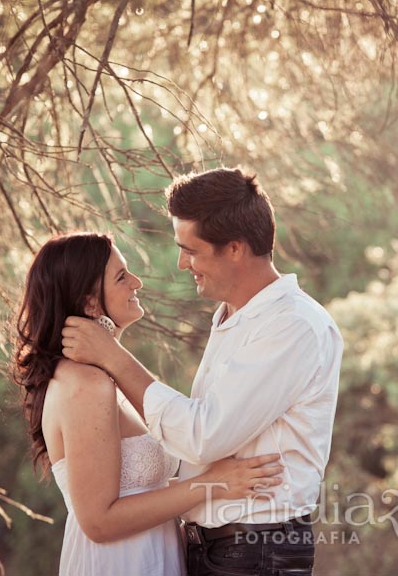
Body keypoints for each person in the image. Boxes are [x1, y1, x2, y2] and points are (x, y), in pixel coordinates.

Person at [62, 167, 344, 576]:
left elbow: (203, 436)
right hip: (216, 548)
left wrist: (115, 358)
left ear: (235, 249)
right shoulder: (233, 317)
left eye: (191, 250)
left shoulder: (291, 326)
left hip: (256, 550)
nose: (181, 263)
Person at [12, 232, 284, 576]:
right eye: (121, 276)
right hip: (120, 563)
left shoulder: (109, 380)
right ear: (90, 303)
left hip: (152, 553)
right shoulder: (85, 384)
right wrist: (213, 485)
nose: (137, 283)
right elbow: (99, 521)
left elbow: (140, 489)